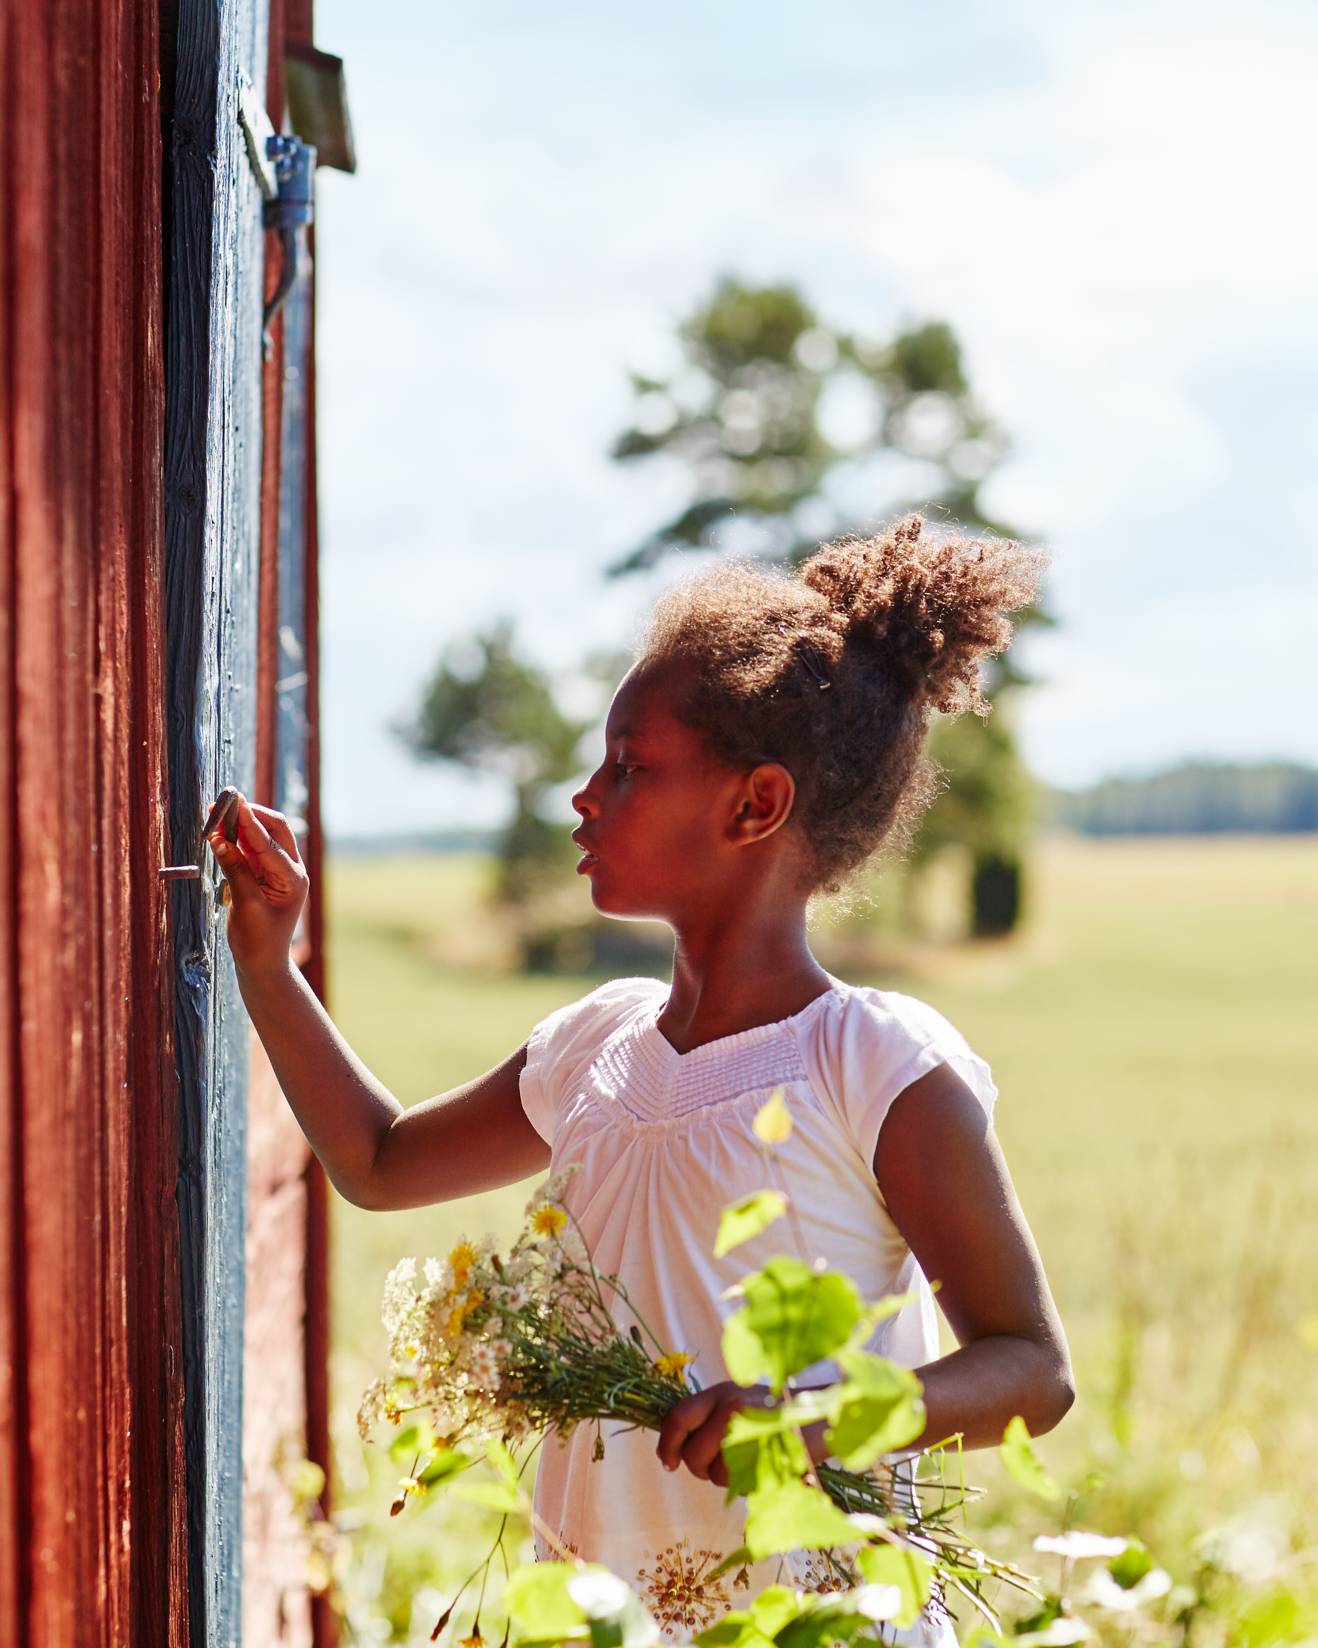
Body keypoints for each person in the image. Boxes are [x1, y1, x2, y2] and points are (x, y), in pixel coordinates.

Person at [210, 515, 1073, 1633]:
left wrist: (815, 1417)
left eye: (629, 767)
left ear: (754, 805)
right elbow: (375, 1162)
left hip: (815, 1621)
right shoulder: (591, 1048)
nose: (583, 795)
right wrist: (269, 965)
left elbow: (1029, 1370)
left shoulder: (872, 1065)